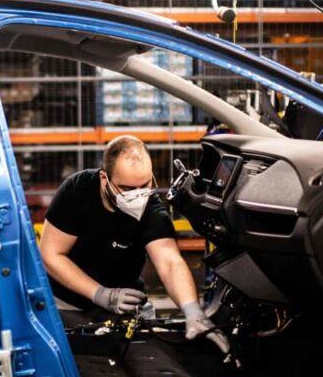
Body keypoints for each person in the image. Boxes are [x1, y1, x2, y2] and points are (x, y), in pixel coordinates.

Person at [39, 135, 229, 354]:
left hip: (124, 306)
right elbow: (51, 255)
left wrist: (193, 311)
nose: (138, 196)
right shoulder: (77, 191)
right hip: (67, 304)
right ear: (104, 178)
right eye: (127, 189)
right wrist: (101, 294)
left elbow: (169, 262)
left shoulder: (151, 209)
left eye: (145, 185)